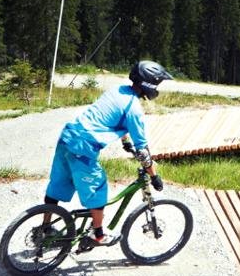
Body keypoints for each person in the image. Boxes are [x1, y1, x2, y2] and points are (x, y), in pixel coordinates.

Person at [42, 60, 171, 249]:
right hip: (84, 146)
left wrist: (125, 142)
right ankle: (98, 235)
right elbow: (143, 150)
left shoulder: (118, 90)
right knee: (98, 187)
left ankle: (45, 228)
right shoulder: (134, 109)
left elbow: (111, 117)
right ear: (149, 84)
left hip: (68, 135)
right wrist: (154, 176)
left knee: (58, 183)